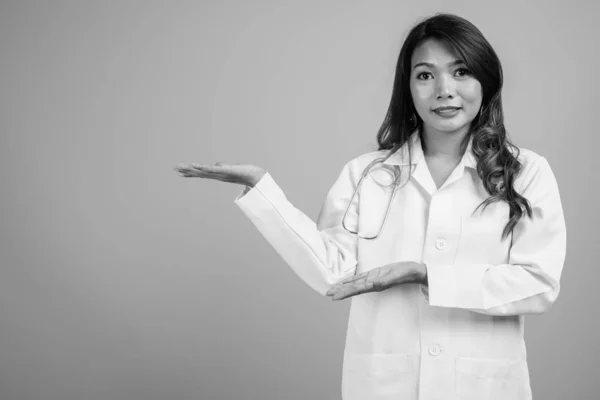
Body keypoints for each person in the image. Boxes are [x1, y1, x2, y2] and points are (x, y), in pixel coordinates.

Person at [174, 12, 566, 400]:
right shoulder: (367, 174)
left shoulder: (525, 172)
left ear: (486, 79)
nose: (444, 89)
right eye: (425, 75)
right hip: (386, 384)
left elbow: (539, 284)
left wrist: (427, 274)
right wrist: (262, 189)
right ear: (408, 88)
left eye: (461, 71)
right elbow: (332, 271)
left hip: (484, 385)